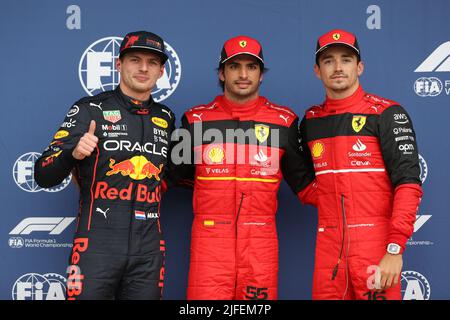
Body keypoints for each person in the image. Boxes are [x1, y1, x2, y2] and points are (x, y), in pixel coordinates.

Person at [34, 30, 176, 300]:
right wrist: (72, 155)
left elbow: (170, 175)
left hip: (148, 249)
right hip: (96, 245)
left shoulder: (166, 117)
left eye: (153, 62)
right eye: (135, 59)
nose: (144, 68)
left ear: (161, 71)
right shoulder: (90, 109)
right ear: (119, 64)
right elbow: (43, 174)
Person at [177, 35, 317, 300]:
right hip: (209, 246)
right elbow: (169, 177)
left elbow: (305, 185)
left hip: (260, 245)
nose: (243, 74)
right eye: (234, 66)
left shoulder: (283, 122)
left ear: (261, 74)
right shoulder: (195, 120)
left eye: (251, 67)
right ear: (222, 73)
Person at [300, 29, 423, 300]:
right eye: (328, 61)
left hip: (376, 247)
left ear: (360, 67)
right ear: (317, 71)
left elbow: (408, 184)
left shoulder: (387, 114)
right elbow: (307, 181)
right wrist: (327, 201)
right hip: (328, 251)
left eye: (346, 59)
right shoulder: (310, 122)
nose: (338, 67)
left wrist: (394, 249)